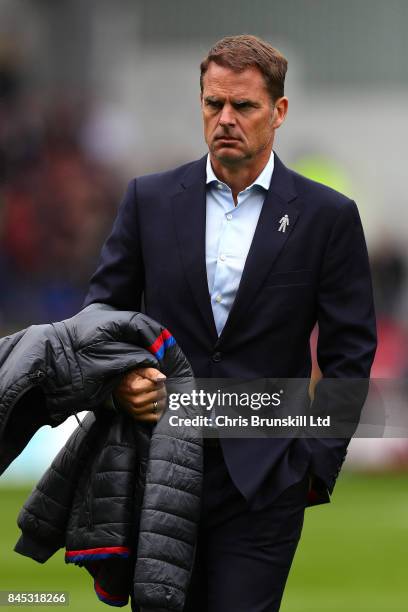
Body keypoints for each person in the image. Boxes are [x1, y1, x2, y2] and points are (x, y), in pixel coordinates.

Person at [83, 34, 377, 612]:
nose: (225, 119)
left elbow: (350, 352)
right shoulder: (149, 199)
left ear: (279, 112)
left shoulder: (328, 217)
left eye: (243, 106)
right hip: (159, 469)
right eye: (213, 103)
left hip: (267, 479)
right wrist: (118, 381)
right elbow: (102, 316)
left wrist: (315, 464)